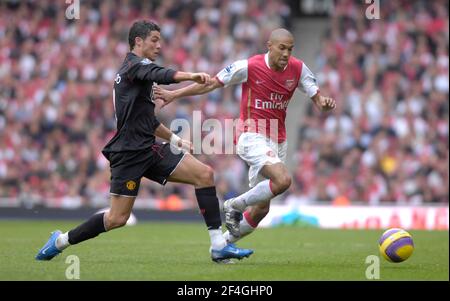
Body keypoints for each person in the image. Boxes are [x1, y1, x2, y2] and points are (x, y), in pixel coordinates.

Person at [35, 20, 253, 264]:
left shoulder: (139, 74)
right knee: (117, 219)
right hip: (128, 153)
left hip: (149, 149)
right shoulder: (133, 66)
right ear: (138, 41)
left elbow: (147, 121)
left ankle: (218, 246)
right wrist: (190, 75)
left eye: (160, 40)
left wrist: (176, 139)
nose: (159, 45)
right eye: (154, 40)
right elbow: (160, 73)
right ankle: (60, 241)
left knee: (204, 174)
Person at [154, 28, 336, 246]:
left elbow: (317, 98)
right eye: (282, 48)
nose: (286, 54)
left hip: (278, 139)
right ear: (269, 46)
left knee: (262, 208)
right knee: (284, 180)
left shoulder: (298, 69)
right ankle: (234, 205)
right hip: (250, 134)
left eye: (290, 49)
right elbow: (211, 83)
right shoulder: (249, 66)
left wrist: (324, 103)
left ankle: (223, 244)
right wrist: (175, 93)